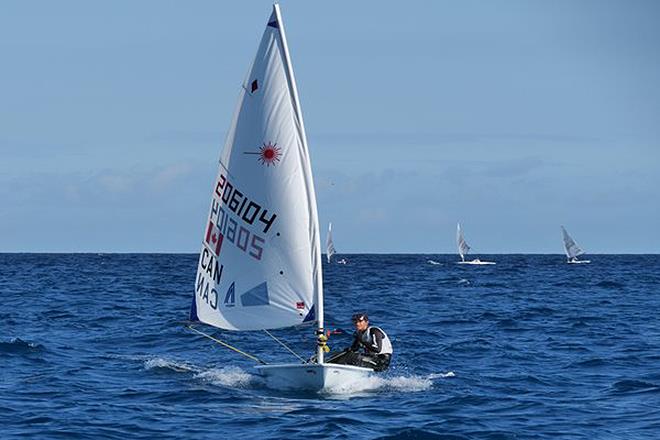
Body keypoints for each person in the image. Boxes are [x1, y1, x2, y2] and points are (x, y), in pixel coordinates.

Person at [328, 313, 393, 372]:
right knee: (343, 354)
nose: (357, 323)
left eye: (360, 321)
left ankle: (334, 370)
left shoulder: (374, 331)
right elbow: (354, 349)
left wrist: (361, 340)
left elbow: (377, 349)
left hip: (381, 361)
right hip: (371, 358)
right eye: (355, 321)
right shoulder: (359, 333)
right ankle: (328, 365)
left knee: (351, 357)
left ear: (367, 322)